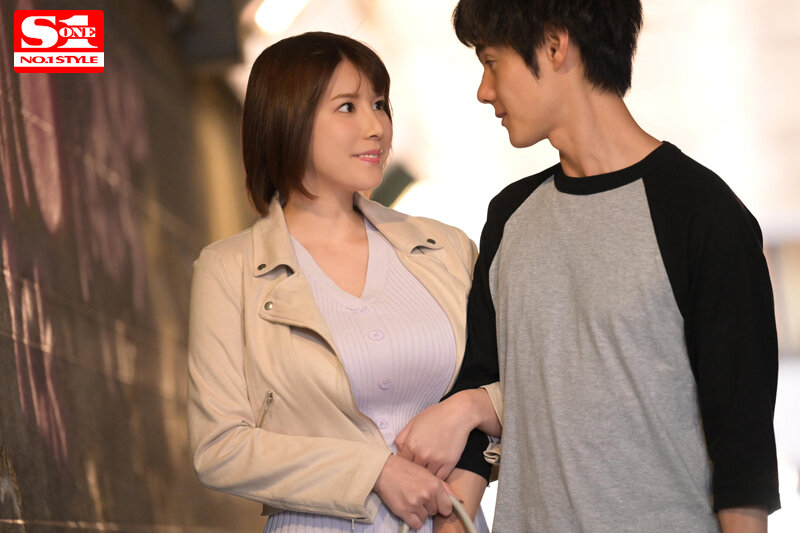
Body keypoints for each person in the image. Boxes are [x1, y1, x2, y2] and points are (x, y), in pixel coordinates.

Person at [396, 1, 781, 532]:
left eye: (491, 62)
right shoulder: (509, 217)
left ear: (555, 46)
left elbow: (744, 457)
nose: (484, 91)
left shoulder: (703, 215)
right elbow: (481, 413)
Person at [187, 31, 489, 532]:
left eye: (379, 104)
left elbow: (516, 383)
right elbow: (219, 447)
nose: (376, 127)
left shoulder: (448, 249)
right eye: (347, 107)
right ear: (288, 118)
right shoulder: (229, 270)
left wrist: (470, 421)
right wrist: (374, 471)